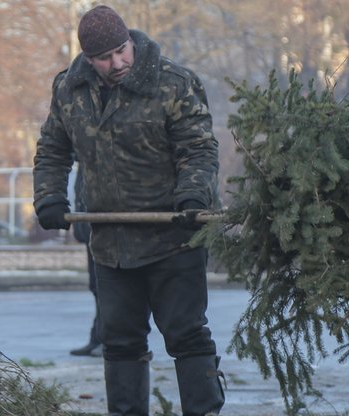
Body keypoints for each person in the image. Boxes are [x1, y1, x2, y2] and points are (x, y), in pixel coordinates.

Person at [33, 5, 224, 415]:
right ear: (88, 57)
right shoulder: (69, 90)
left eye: (122, 50)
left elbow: (199, 148)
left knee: (187, 334)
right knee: (119, 341)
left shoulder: (172, 83)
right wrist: (49, 197)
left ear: (130, 42)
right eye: (105, 57)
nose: (118, 62)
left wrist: (193, 195)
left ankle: (204, 411)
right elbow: (52, 149)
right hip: (111, 241)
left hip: (174, 236)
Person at [69, 167, 102, 357]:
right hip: (89, 233)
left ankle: (105, 340)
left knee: (107, 289)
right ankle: (97, 338)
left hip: (103, 232)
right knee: (96, 287)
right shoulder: (83, 162)